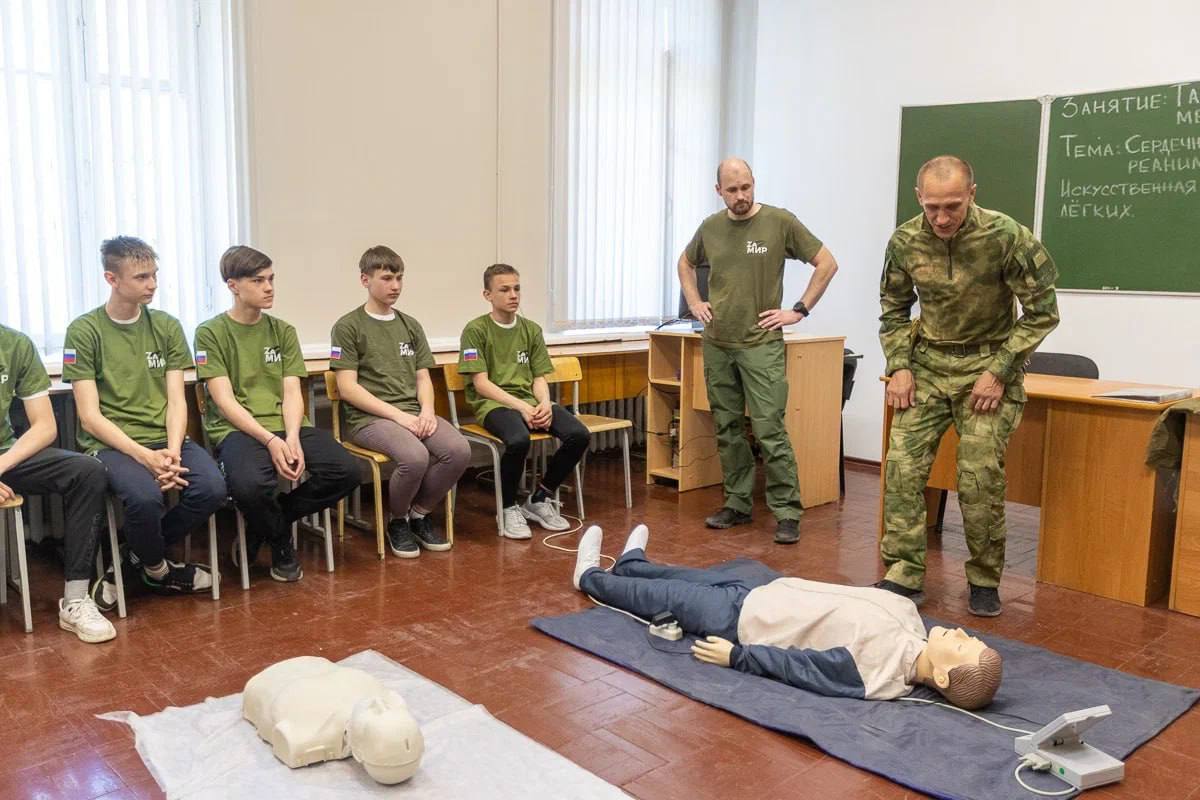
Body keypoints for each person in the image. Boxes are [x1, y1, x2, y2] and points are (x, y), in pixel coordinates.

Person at [877, 155, 1060, 617]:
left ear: (972, 195)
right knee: (901, 468)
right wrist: (899, 365)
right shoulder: (904, 240)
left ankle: (983, 578)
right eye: (932, 207)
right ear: (919, 198)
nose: (941, 218)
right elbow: (893, 309)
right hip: (927, 365)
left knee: (978, 477)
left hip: (987, 367)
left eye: (953, 206)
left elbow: (1043, 312)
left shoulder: (1006, 236)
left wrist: (1000, 371)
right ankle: (903, 573)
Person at [573, 524, 1003, 709]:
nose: (961, 632)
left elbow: (802, 669)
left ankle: (590, 577)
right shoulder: (911, 620)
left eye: (962, 646)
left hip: (742, 622)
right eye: (970, 637)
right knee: (684, 576)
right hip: (771, 590)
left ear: (942, 676)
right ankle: (632, 563)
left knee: (661, 597)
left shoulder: (877, 672)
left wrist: (738, 657)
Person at [678, 157, 839, 544]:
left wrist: (798, 310)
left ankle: (787, 511)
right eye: (732, 190)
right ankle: (737, 504)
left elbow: (826, 263)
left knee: (769, 429)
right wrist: (695, 301)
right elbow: (685, 262)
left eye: (746, 187)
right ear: (719, 191)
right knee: (728, 429)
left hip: (760, 344)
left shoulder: (779, 222)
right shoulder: (710, 228)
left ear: (754, 183)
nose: (741, 196)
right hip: (718, 343)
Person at [65, 236, 226, 609]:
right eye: (141, 277)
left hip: (165, 440)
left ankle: (132, 558)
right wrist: (145, 457)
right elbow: (89, 417)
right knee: (145, 498)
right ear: (112, 279)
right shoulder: (84, 331)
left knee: (212, 489)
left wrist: (172, 452)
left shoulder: (167, 326)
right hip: (112, 445)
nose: (152, 284)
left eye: (154, 275)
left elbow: (176, 401)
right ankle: (158, 570)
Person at [195, 245, 359, 581]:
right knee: (250, 487)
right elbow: (224, 401)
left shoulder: (283, 331)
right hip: (238, 430)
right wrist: (271, 441)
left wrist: (293, 436)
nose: (269, 287)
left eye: (271, 279)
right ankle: (281, 541)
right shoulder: (210, 332)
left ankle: (271, 521)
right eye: (258, 281)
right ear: (233, 285)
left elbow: (291, 392)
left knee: (347, 471)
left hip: (286, 425)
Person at [330, 245, 469, 557]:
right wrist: (399, 417)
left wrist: (428, 411)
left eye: (399, 278)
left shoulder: (410, 325)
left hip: (413, 413)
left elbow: (423, 378)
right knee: (415, 457)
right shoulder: (348, 326)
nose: (395, 286)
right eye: (387, 278)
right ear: (365, 280)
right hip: (369, 419)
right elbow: (348, 388)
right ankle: (397, 521)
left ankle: (418, 515)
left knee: (458, 450)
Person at [457, 263, 590, 540]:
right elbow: (481, 384)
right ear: (487, 295)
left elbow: (539, 377)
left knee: (579, 435)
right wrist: (522, 407)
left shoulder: (531, 330)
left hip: (529, 401)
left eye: (516, 288)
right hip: (494, 404)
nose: (513, 295)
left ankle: (540, 498)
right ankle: (507, 508)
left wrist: (545, 403)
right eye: (504, 290)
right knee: (518, 440)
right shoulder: (475, 330)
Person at [0, 324, 113, 642]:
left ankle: (75, 600)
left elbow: (45, 426)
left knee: (88, 471)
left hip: (5, 456)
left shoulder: (15, 344)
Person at [243, 655, 424, 784]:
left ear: (359, 754)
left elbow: (288, 741)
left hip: (277, 685)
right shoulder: (379, 694)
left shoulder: (308, 730)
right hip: (305, 674)